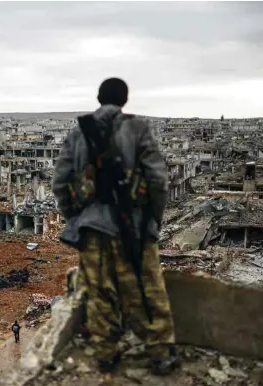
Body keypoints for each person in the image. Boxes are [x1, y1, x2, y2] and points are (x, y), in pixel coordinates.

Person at [52, 78, 180, 375]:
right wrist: (152, 221)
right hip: (132, 227)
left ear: (99, 98)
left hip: (92, 229)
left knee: (99, 290)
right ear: (125, 100)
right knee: (145, 288)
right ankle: (160, 352)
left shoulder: (78, 133)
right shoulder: (137, 129)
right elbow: (158, 181)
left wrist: (76, 217)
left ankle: (106, 352)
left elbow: (61, 184)